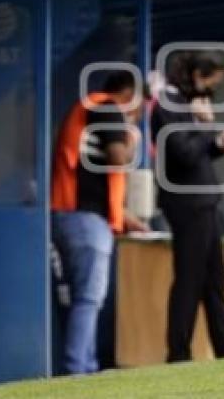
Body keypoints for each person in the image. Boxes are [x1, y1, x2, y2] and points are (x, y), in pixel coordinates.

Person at [50, 70, 149, 374]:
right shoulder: (107, 108)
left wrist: (125, 218)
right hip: (85, 220)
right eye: (138, 107)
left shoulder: (90, 108)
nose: (136, 114)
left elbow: (96, 175)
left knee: (84, 298)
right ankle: (79, 372)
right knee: (88, 299)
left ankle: (85, 369)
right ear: (128, 94)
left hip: (72, 215)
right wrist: (131, 134)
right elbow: (119, 157)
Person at [151, 51, 224, 363]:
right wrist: (204, 126)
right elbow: (184, 154)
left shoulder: (186, 106)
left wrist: (217, 144)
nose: (209, 93)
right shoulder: (167, 105)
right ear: (196, 76)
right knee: (189, 279)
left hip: (205, 201)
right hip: (186, 203)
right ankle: (178, 354)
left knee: (215, 280)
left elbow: (198, 154)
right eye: (209, 84)